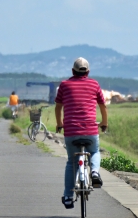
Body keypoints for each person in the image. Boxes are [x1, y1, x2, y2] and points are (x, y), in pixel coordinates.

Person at [55, 57, 108, 209]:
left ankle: (67, 196)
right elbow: (103, 106)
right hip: (90, 130)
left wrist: (59, 124)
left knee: (71, 162)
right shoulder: (94, 84)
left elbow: (58, 107)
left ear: (73, 71)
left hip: (71, 131)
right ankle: (95, 172)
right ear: (88, 72)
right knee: (95, 151)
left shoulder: (64, 85)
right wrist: (104, 123)